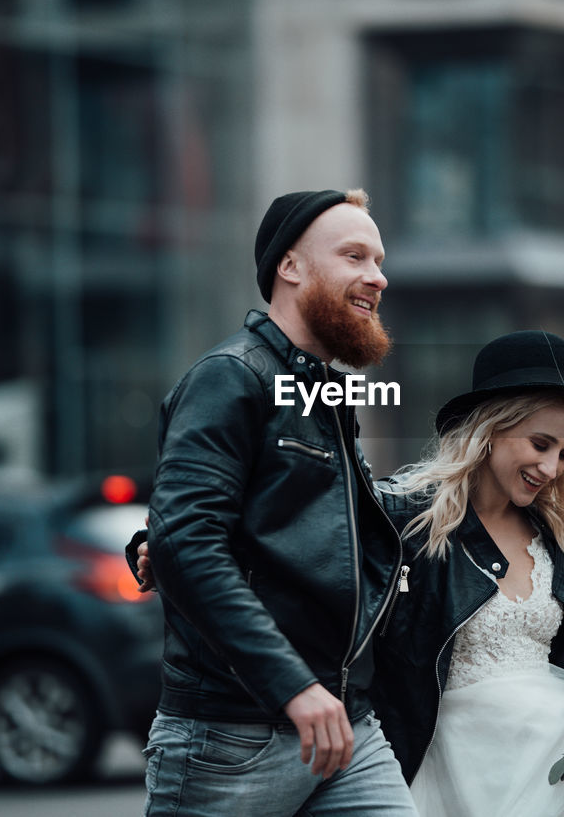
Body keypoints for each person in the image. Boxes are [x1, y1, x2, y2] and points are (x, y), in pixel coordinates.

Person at [139, 330, 564, 815]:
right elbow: (292, 536)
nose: (553, 468)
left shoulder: (552, 536)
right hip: (450, 766)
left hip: (549, 759)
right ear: (491, 430)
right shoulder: (404, 515)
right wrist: (158, 548)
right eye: (540, 445)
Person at [134, 188, 417, 817]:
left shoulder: (323, 393)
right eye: (354, 256)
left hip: (346, 729)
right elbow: (186, 541)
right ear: (290, 267)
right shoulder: (232, 376)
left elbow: (334, 527)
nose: (378, 277)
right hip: (231, 740)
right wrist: (295, 687)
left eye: (378, 260)